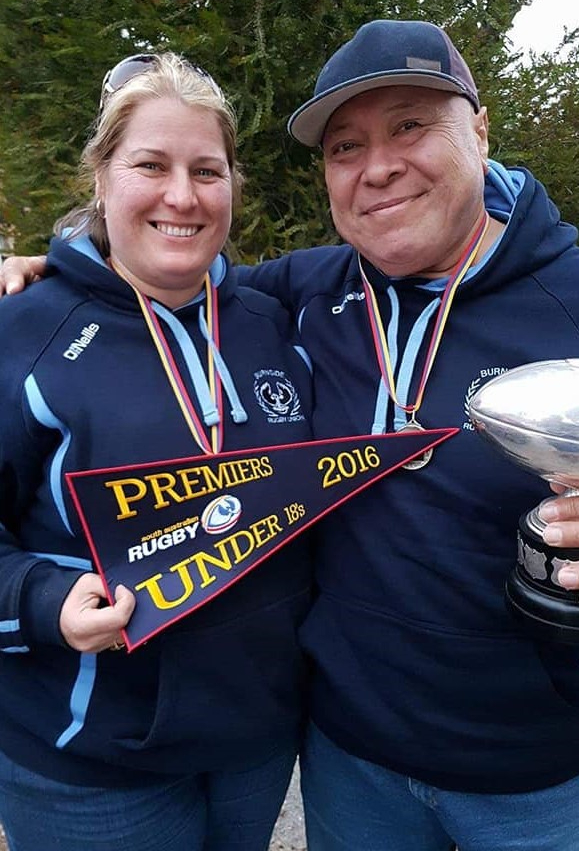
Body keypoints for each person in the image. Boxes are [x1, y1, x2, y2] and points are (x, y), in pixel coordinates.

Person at [6, 19, 579, 850]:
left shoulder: (569, 294)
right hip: (348, 762)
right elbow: (150, 272)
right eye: (345, 146)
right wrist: (48, 268)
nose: (377, 167)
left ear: (480, 129)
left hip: (539, 776)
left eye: (410, 126)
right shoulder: (300, 293)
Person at [0, 52, 314, 851]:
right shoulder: (23, 333)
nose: (182, 195)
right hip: (91, 766)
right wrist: (41, 600)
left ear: (232, 185)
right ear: (101, 176)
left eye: (207, 170)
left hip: (255, 744)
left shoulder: (272, 318)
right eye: (150, 165)